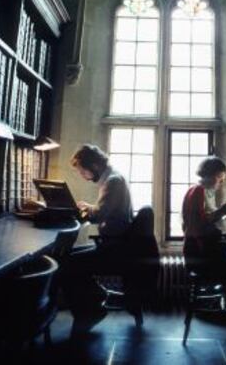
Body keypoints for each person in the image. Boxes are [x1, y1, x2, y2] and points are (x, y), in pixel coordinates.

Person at [61, 144, 133, 335]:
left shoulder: (112, 181)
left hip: (114, 248)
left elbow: (99, 215)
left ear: (93, 165)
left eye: (82, 170)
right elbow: (108, 210)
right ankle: (94, 299)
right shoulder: (112, 178)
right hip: (113, 243)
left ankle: (90, 310)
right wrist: (88, 206)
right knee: (68, 258)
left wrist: (84, 209)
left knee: (66, 264)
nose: (82, 176)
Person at [182, 155, 226, 263]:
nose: (222, 182)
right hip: (200, 251)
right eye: (220, 178)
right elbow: (200, 223)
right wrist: (222, 211)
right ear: (209, 175)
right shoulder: (198, 191)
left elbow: (206, 217)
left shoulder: (203, 190)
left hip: (200, 246)